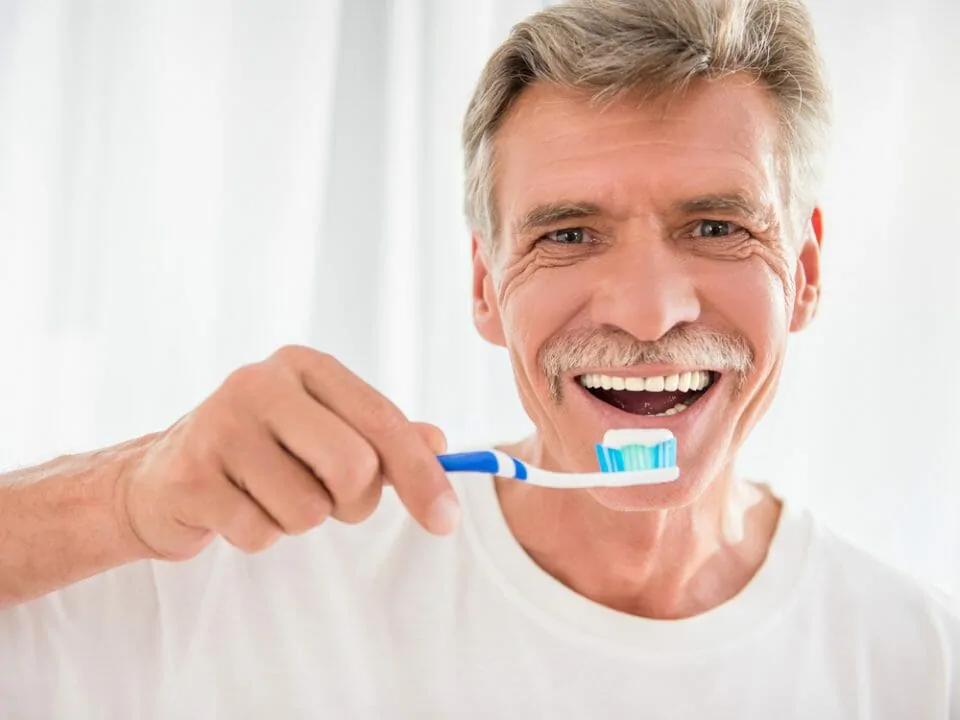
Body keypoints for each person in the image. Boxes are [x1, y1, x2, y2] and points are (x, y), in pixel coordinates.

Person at [1, 0, 958, 716]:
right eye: (570, 235)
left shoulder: (916, 659)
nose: (648, 312)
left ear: (806, 271)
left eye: (715, 225)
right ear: (484, 286)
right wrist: (123, 496)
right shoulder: (257, 574)